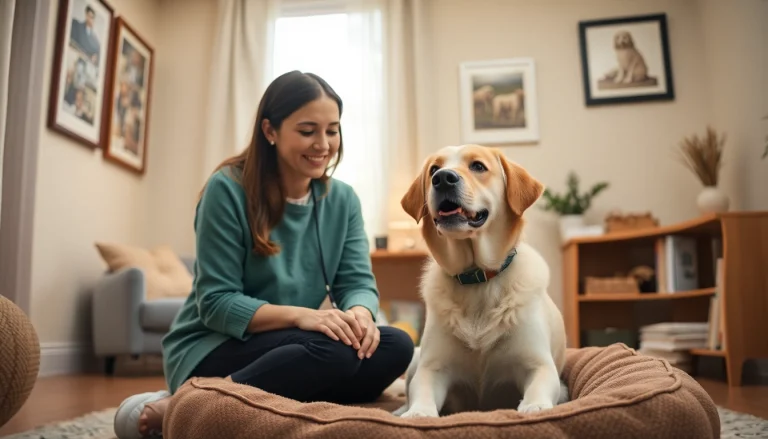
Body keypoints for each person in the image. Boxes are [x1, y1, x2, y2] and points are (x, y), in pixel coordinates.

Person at [113, 71, 415, 439]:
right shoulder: (227, 189)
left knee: (395, 345)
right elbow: (216, 303)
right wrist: (305, 317)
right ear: (270, 131)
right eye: (307, 131)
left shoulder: (343, 199)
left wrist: (360, 315)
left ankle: (271, 405)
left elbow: (356, 281)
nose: (323, 144)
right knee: (332, 352)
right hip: (213, 344)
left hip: (290, 344)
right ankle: (190, 405)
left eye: (332, 130)